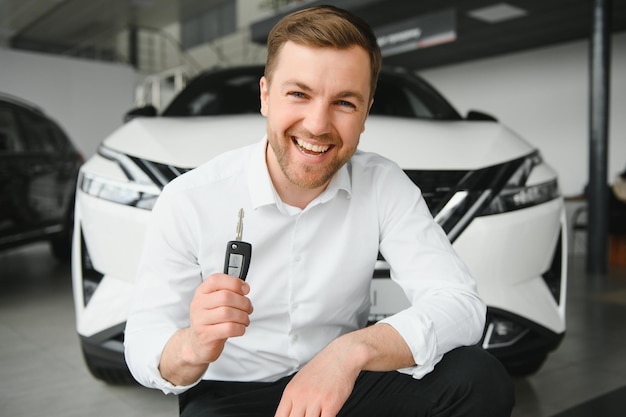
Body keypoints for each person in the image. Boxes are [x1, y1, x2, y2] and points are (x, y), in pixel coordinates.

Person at [124, 5, 514, 417]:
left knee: (478, 378)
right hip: (232, 392)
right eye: (299, 94)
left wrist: (351, 352)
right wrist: (192, 345)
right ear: (265, 96)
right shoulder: (189, 198)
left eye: (344, 102)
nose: (317, 124)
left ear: (365, 113)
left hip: (342, 383)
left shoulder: (383, 183)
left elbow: (460, 304)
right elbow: (144, 343)